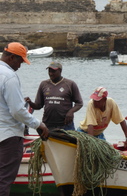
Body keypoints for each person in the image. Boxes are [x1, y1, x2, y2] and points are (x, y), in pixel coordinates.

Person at [0, 42, 49, 196]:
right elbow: (17, 111)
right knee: (3, 181)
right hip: (8, 136)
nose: (20, 66)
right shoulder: (9, 77)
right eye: (20, 61)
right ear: (12, 57)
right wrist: (38, 125)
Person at [25, 62, 83, 131]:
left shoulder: (70, 84)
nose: (51, 73)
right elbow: (38, 106)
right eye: (49, 71)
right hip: (47, 124)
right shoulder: (44, 84)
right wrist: (30, 103)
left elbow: (79, 103)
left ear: (60, 71)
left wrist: (71, 112)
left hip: (65, 125)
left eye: (53, 71)